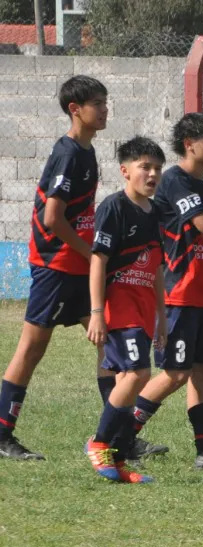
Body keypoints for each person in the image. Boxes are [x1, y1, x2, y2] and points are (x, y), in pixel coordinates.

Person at [127, 113, 203, 470]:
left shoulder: (200, 185)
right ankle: (118, 434)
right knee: (174, 374)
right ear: (190, 145)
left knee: (202, 374)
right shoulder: (176, 181)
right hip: (178, 294)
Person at [0, 75, 113, 460]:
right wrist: (91, 251)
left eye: (105, 101)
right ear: (75, 109)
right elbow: (52, 218)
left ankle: (117, 434)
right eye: (97, 102)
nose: (105, 109)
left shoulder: (87, 149)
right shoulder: (68, 153)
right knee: (32, 349)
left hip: (77, 264)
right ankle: (2, 435)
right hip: (56, 264)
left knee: (109, 340)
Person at [84, 137, 167, 484]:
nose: (152, 174)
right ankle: (99, 443)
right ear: (125, 170)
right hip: (119, 305)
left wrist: (162, 316)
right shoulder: (114, 208)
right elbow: (98, 261)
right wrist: (97, 312)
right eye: (145, 167)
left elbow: (158, 268)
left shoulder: (155, 212)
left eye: (157, 168)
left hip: (145, 309)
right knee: (137, 375)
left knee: (127, 379)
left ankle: (117, 461)